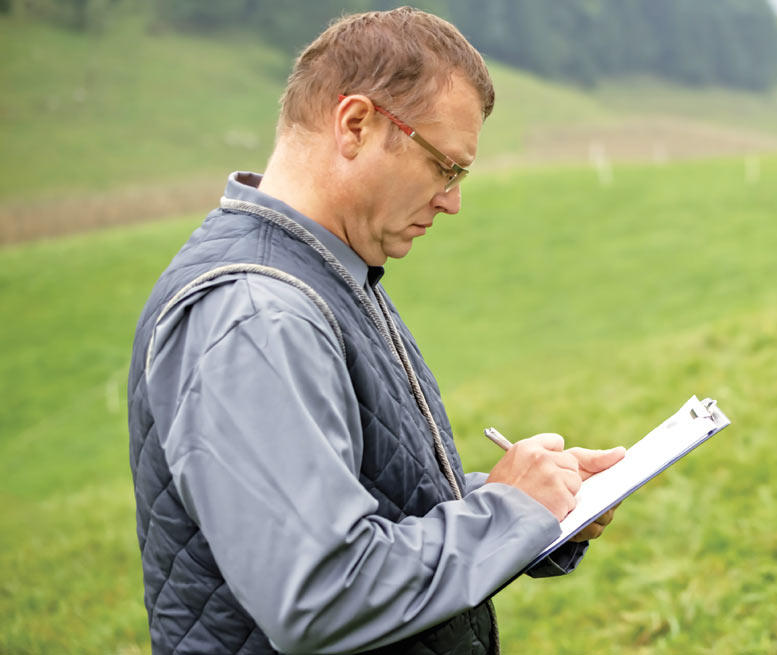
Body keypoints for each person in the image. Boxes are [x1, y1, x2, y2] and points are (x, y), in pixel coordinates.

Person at [125, 8, 623, 654]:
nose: (452, 200)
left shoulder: (328, 271)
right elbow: (323, 590)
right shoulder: (256, 313)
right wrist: (506, 511)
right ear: (355, 124)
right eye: (444, 167)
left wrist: (535, 503)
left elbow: (372, 506)